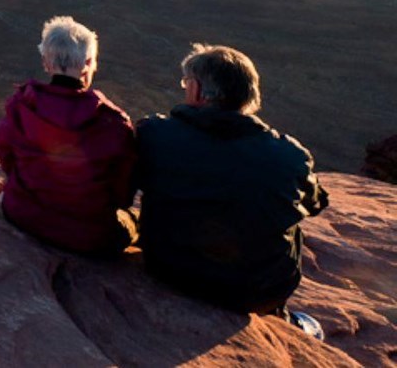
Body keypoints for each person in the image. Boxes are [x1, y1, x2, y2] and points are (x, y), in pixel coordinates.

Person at [135, 44, 329, 322]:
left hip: (167, 269)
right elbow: (316, 202)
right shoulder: (290, 156)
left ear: (199, 90)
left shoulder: (154, 134)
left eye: (186, 82)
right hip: (255, 292)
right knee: (290, 225)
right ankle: (281, 315)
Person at [0, 16, 138, 255]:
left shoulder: (21, 105)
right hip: (89, 238)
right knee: (134, 220)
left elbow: (6, 155)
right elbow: (122, 191)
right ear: (89, 63)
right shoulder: (112, 121)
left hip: (22, 215)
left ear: (46, 63)